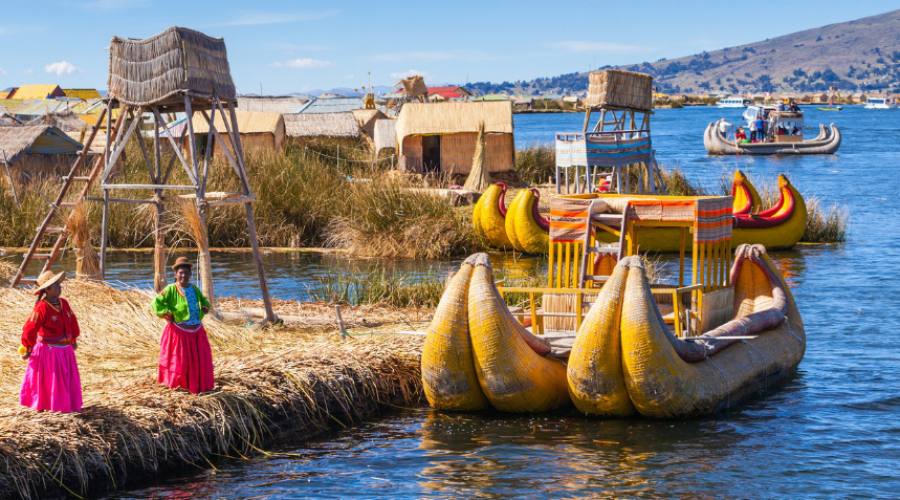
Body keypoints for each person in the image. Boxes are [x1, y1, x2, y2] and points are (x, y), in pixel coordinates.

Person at [19, 270, 82, 412]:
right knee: (52, 381)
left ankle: (67, 405)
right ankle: (50, 406)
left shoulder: (64, 303)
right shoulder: (41, 307)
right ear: (47, 289)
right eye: (56, 285)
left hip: (65, 350)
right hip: (49, 351)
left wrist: (73, 339)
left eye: (59, 284)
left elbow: (72, 321)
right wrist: (28, 348)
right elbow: (30, 328)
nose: (60, 287)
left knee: (65, 379)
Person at [151, 257, 214, 394]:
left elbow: (204, 301)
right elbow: (156, 303)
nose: (183, 275)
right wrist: (166, 313)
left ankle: (196, 384)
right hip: (179, 332)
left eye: (186, 272)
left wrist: (205, 308)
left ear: (190, 274)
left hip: (196, 330)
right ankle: (180, 384)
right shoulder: (170, 289)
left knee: (198, 360)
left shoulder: (194, 289)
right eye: (180, 272)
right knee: (180, 360)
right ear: (175, 275)